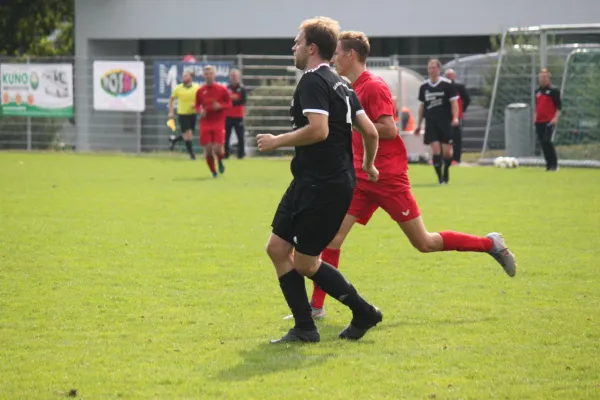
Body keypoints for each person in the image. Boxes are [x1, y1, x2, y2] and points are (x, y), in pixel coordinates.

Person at [300, 31, 517, 319]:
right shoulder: (349, 86)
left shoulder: (373, 86)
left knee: (424, 243)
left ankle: (490, 244)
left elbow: (389, 129)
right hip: (362, 179)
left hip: (388, 178)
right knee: (332, 240)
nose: (335, 57)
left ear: (351, 55)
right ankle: (317, 307)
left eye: (338, 52)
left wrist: (348, 123)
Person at [256, 16, 382, 343]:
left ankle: (362, 311)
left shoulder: (313, 80)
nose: (293, 47)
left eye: (297, 42)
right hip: (310, 181)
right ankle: (304, 327)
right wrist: (368, 165)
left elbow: (319, 130)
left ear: (312, 48)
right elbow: (369, 131)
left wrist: (276, 141)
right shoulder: (342, 84)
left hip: (323, 186)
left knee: (307, 262)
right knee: (277, 248)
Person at [414, 59, 459, 184]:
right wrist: (418, 125)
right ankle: (440, 178)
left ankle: (446, 170)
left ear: (439, 69)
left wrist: (455, 118)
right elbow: (422, 106)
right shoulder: (424, 87)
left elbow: (454, 103)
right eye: (430, 68)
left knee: (447, 153)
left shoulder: (447, 84)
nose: (432, 70)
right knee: (436, 151)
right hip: (431, 123)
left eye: (434, 68)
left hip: (445, 122)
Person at [195, 65, 232, 178]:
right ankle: (213, 172)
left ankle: (220, 161)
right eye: (206, 74)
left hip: (218, 121)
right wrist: (200, 110)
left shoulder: (222, 89)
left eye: (210, 73)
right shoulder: (201, 91)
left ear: (214, 75)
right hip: (205, 122)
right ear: (203, 76)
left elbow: (229, 104)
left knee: (217, 148)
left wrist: (220, 106)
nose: (208, 76)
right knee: (208, 150)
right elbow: (197, 105)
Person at [168, 70, 200, 160]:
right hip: (183, 113)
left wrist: (197, 105)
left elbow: (200, 98)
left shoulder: (197, 87)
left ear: (191, 77)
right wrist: (171, 111)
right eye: (183, 76)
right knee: (188, 134)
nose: (183, 77)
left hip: (193, 113)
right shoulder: (178, 88)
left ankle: (174, 139)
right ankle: (192, 155)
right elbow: (171, 100)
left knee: (188, 135)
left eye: (186, 76)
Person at [535, 68, 561, 171]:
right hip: (539, 121)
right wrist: (535, 117)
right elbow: (538, 105)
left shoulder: (554, 91)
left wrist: (555, 118)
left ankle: (554, 164)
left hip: (549, 120)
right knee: (542, 143)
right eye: (541, 77)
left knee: (547, 141)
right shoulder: (537, 91)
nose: (542, 79)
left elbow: (559, 106)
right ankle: (548, 165)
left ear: (548, 78)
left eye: (544, 77)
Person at [444, 68, 471, 164]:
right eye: (447, 75)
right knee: (444, 138)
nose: (448, 77)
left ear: (454, 76)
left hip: (456, 116)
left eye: (450, 75)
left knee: (456, 138)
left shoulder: (459, 86)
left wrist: (461, 110)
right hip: (444, 116)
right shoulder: (442, 87)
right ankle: (445, 158)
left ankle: (456, 158)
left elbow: (467, 99)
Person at [225, 69, 248, 159]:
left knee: (240, 136)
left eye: (235, 76)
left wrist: (233, 99)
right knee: (226, 136)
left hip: (238, 116)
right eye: (232, 76)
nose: (234, 77)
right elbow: (226, 101)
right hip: (228, 115)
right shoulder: (227, 88)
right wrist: (234, 99)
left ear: (238, 77)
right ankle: (226, 154)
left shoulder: (242, 88)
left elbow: (242, 101)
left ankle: (241, 155)